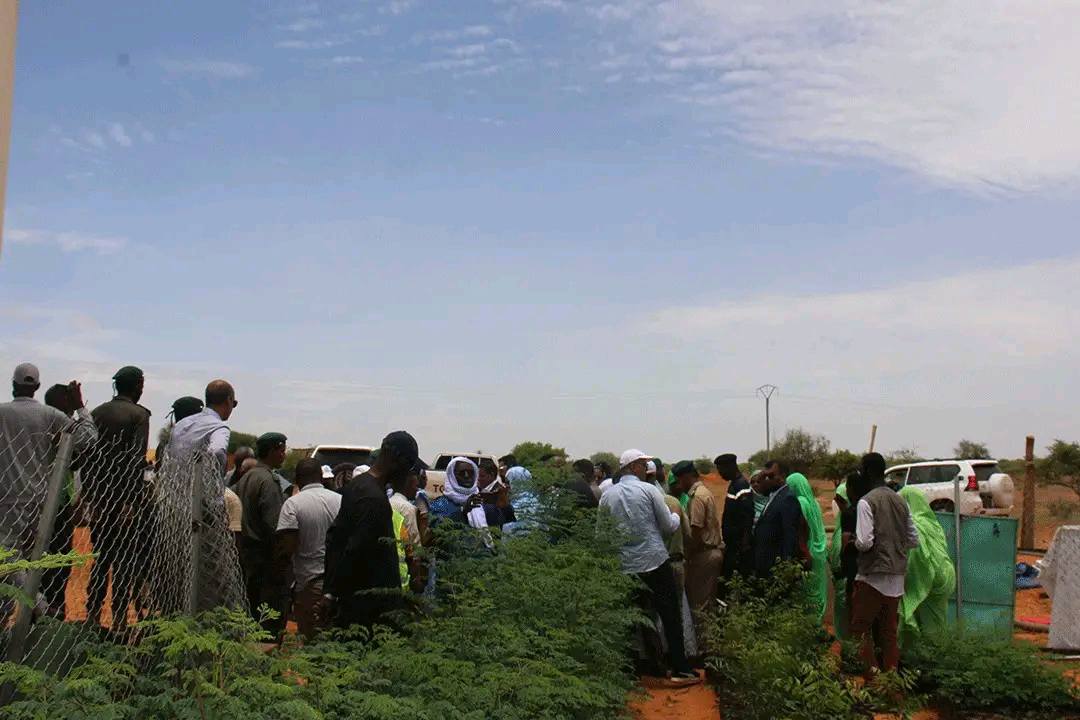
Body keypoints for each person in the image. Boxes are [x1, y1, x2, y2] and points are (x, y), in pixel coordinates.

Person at [0, 364, 97, 622]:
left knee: (8, 557)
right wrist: (80, 407)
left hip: (5, 498)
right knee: (29, 561)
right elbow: (88, 437)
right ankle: (21, 612)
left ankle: (37, 606)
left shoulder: (2, 413)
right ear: (37, 386)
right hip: (41, 502)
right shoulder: (50, 416)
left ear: (13, 384)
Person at [599, 449, 698, 686]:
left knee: (630, 618)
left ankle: (632, 671)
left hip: (625, 566)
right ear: (634, 467)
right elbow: (668, 527)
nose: (646, 469)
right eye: (643, 465)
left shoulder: (607, 496)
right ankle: (680, 669)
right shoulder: (649, 490)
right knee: (670, 615)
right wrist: (675, 516)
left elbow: (601, 535)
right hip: (655, 561)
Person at [324, 431, 419, 629]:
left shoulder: (358, 485)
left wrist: (332, 590)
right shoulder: (373, 499)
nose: (408, 473)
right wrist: (334, 594)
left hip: (357, 601)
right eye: (409, 465)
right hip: (369, 610)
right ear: (397, 459)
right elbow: (355, 551)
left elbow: (335, 539)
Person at [85, 365, 152, 633]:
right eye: (142, 384)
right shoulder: (139, 415)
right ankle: (120, 619)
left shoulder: (97, 413)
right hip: (124, 500)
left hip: (100, 499)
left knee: (100, 559)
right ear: (137, 386)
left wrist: (91, 498)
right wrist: (130, 502)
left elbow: (89, 458)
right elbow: (136, 460)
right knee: (124, 561)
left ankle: (92, 615)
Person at [850, 452, 919, 677]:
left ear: (868, 472)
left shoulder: (866, 502)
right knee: (889, 634)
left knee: (860, 630)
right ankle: (891, 682)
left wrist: (852, 542)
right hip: (896, 578)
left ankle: (872, 679)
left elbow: (865, 542)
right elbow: (913, 539)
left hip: (872, 575)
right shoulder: (900, 501)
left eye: (861, 469)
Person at [41, 383, 96, 619]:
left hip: (42, 502)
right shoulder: (62, 426)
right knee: (57, 566)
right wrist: (81, 406)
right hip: (56, 506)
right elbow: (90, 437)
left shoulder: (44, 426)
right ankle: (51, 615)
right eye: (69, 403)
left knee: (44, 566)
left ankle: (40, 615)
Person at [275, 458, 342, 641]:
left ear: (297, 479)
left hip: (310, 584)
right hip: (339, 584)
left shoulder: (292, 504)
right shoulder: (340, 500)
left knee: (312, 640)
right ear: (321, 477)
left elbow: (287, 548)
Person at [233, 432, 289, 633]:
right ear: (272, 451)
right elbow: (274, 524)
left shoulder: (247, 477)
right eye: (281, 450)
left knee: (250, 609)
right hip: (265, 558)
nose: (284, 455)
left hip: (246, 554)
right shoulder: (268, 481)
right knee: (269, 617)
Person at [897, 485, 954, 650]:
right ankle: (941, 651)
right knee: (937, 618)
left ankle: (930, 656)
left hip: (931, 575)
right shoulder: (932, 522)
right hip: (946, 573)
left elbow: (917, 556)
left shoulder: (915, 524)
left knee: (926, 623)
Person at [674, 460, 724, 620]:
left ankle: (704, 635)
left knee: (699, 606)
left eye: (680, 480)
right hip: (710, 553)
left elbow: (696, 531)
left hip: (703, 555)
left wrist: (687, 555)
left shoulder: (697, 497)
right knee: (707, 603)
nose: (679, 485)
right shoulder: (703, 491)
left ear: (687, 476)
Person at [167, 380, 236, 473]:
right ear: (228, 400)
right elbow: (217, 452)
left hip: (174, 479)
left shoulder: (181, 424)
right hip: (199, 481)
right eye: (234, 403)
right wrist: (217, 475)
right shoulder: (219, 427)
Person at [751, 460, 804, 580]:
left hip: (776, 568)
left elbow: (790, 535)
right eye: (765, 477)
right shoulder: (773, 496)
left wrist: (786, 567)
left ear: (782, 476)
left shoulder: (787, 498)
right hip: (766, 564)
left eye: (771, 476)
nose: (767, 480)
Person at [787, 472, 829, 622]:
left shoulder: (800, 503)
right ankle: (818, 623)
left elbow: (801, 530)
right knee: (818, 590)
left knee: (807, 593)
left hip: (808, 552)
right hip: (820, 551)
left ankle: (810, 626)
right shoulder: (814, 503)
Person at [828, 474, 861, 638]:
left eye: (841, 500)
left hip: (847, 579)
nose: (838, 503)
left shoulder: (852, 523)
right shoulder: (841, 522)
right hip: (839, 581)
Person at [716, 454, 754, 580]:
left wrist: (744, 544)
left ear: (730, 467)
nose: (720, 474)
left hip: (738, 547)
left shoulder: (741, 486)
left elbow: (748, 516)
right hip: (733, 545)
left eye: (721, 470)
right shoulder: (734, 484)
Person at [388, 463, 425, 592]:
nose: (417, 490)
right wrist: (417, 579)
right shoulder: (408, 509)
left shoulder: (387, 502)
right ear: (406, 485)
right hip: (404, 574)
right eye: (415, 486)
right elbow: (414, 546)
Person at [477, 457, 513, 528]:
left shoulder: (501, 492)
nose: (478, 479)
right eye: (478, 476)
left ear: (492, 475)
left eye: (482, 476)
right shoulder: (479, 490)